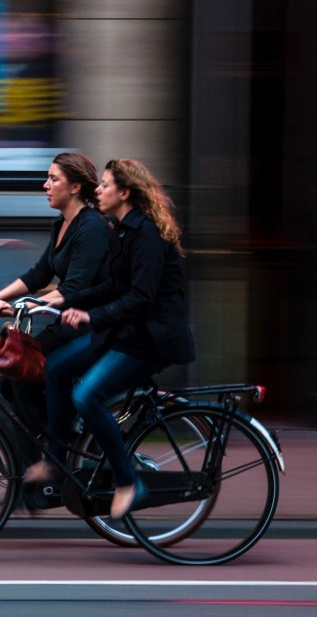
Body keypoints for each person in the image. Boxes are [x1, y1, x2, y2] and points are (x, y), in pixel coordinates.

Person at [24, 158, 196, 520]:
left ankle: (128, 481)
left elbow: (140, 297)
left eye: (104, 185)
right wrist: (67, 301)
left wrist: (90, 315)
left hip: (150, 340)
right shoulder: (120, 229)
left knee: (86, 396)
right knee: (54, 367)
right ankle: (55, 462)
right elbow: (111, 286)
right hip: (123, 332)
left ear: (125, 192)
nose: (97, 191)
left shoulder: (146, 233)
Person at [0, 152, 111, 435]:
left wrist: (20, 307)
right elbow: (39, 275)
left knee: (22, 376)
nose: (45, 185)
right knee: (14, 380)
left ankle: (56, 451)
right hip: (65, 323)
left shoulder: (92, 227)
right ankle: (54, 446)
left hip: (88, 326)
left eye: (53, 179)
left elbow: (73, 290)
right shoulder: (62, 224)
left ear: (75, 187)